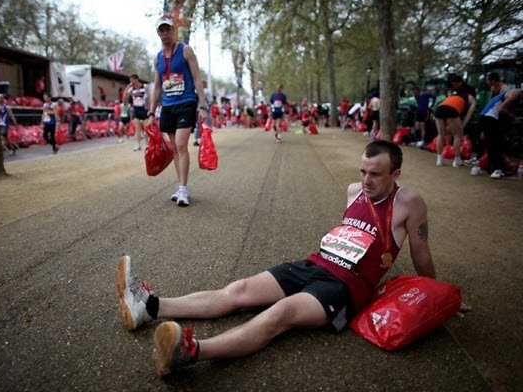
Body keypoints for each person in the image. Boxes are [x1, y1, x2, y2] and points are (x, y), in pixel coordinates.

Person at [115, 140, 471, 377]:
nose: (365, 180)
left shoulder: (409, 202)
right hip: (313, 264)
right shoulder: (352, 191)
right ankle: (150, 306)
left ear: (396, 174)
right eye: (362, 171)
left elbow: (421, 252)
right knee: (237, 291)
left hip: (344, 289)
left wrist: (438, 295)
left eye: (375, 174)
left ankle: (191, 353)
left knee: (280, 315)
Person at [146, 15, 208, 207]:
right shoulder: (157, 58)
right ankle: (181, 186)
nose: (165, 33)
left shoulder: (185, 51)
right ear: (158, 33)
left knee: (181, 145)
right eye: (161, 30)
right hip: (168, 105)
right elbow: (156, 87)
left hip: (187, 102)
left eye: (168, 29)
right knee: (174, 148)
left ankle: (183, 189)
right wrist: (150, 112)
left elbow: (197, 78)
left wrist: (202, 105)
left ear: (174, 31)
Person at [478, 88, 522, 179]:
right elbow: (502, 109)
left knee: (494, 144)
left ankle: (493, 169)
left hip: (487, 116)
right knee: (495, 144)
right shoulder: (514, 93)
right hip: (490, 117)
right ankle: (496, 170)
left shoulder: (511, 93)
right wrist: (513, 118)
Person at [434, 89, 476, 167]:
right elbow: (469, 114)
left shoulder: (453, 96)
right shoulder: (472, 99)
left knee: (441, 134)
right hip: (452, 110)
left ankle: (439, 159)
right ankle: (457, 161)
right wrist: (462, 126)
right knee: (457, 135)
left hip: (439, 109)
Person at [125, 74, 151, 151]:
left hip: (144, 108)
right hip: (136, 108)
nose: (131, 82)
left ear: (136, 79)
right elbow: (125, 96)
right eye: (130, 80)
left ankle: (147, 144)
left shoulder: (145, 86)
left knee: (146, 128)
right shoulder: (131, 89)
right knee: (137, 128)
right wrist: (128, 87)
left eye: (132, 80)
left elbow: (150, 97)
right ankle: (138, 145)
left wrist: (149, 106)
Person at [193, 79, 213, 146]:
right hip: (204, 109)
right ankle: (205, 140)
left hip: (196, 110)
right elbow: (210, 100)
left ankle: (196, 140)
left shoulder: (195, 91)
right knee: (206, 124)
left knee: (198, 125)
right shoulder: (206, 91)